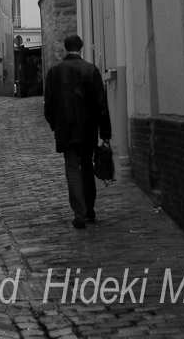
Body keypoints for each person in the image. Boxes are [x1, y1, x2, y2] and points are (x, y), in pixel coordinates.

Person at [44, 33, 111, 229]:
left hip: (66, 129)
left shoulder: (55, 72)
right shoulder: (91, 71)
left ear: (66, 48)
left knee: (72, 170)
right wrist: (105, 133)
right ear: (81, 48)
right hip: (88, 129)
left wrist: (55, 125)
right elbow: (101, 105)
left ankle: (79, 213)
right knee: (87, 168)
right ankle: (89, 208)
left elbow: (49, 106)